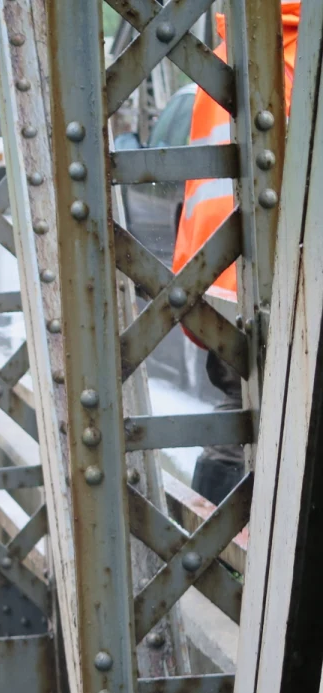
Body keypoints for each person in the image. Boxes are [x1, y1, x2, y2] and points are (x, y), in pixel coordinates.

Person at [171, 2, 301, 505]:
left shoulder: (223, 56)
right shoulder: (294, 61)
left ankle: (219, 554)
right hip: (273, 284)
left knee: (240, 415)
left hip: (220, 282)